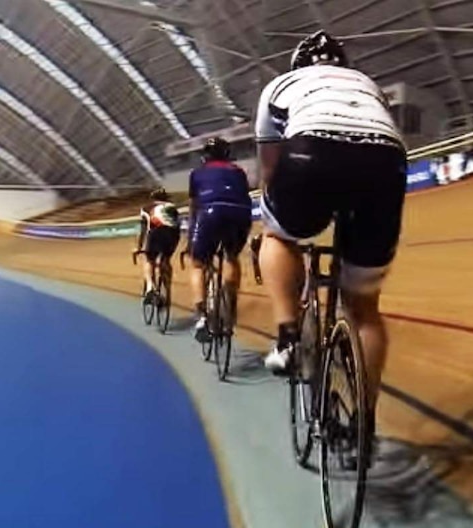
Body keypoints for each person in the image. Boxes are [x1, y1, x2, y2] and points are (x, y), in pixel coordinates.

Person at [254, 30, 407, 427]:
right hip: (384, 163)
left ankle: (289, 340)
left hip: (311, 152)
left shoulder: (281, 84)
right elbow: (379, 138)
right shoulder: (367, 84)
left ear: (297, 65)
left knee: (276, 234)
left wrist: (282, 210)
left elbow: (269, 168)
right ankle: (362, 420)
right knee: (365, 310)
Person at [187, 137, 253, 342]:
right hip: (240, 214)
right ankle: (230, 305)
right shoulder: (238, 171)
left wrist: (191, 239)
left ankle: (201, 317)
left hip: (210, 212)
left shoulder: (197, 174)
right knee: (232, 257)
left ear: (204, 155)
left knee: (198, 264)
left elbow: (194, 208)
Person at [134, 186, 181, 302]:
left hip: (156, 232)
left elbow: (143, 230)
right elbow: (177, 225)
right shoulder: (173, 207)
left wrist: (138, 247)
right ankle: (167, 288)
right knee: (165, 259)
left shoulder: (146, 208)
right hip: (173, 235)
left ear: (152, 198)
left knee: (149, 260)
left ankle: (150, 288)